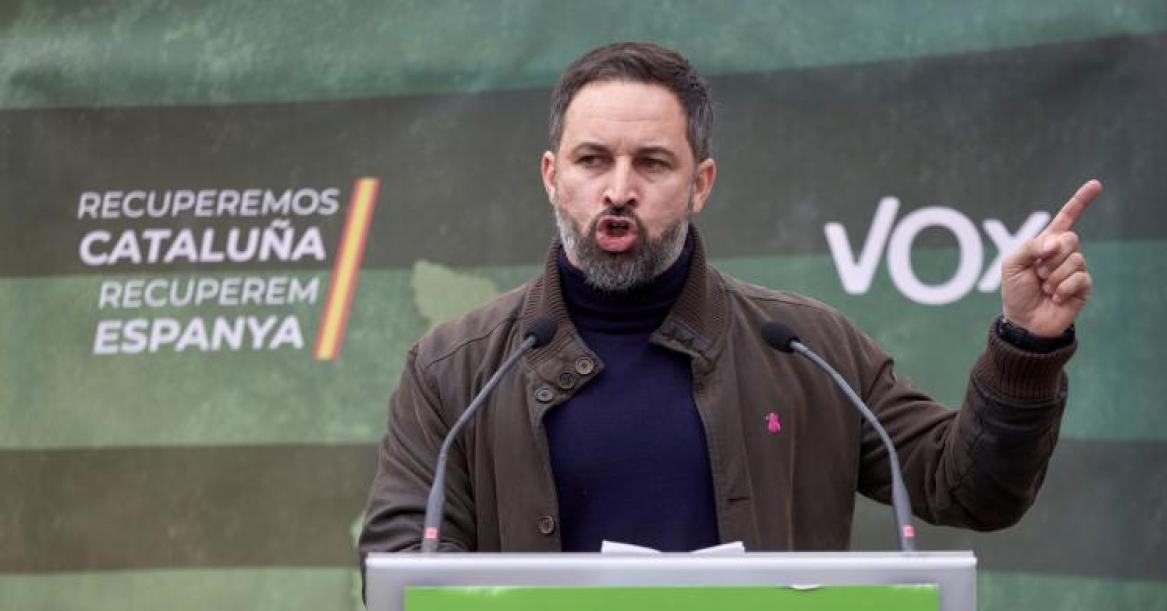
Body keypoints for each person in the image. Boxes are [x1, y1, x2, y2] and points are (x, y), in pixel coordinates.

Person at [359, 42, 1100, 561]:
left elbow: (969, 489)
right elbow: (398, 564)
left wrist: (1025, 346)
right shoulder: (455, 369)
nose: (619, 188)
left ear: (701, 183)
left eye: (652, 162)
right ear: (553, 176)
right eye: (594, 160)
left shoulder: (809, 350)